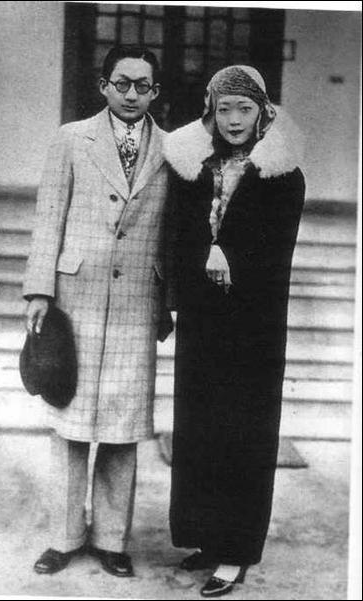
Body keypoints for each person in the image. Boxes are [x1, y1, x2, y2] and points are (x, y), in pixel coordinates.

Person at [23, 45, 171, 578]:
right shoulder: (70, 139)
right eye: (122, 83)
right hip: (75, 296)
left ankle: (112, 540)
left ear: (156, 92)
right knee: (71, 422)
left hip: (137, 300)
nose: (132, 94)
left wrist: (169, 298)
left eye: (143, 86)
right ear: (103, 85)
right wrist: (39, 290)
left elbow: (175, 230)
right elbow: (49, 217)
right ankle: (63, 537)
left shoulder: (171, 149)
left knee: (121, 426)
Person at [163, 65, 305, 597]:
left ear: (263, 112)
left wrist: (227, 254)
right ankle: (206, 537)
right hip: (203, 321)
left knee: (244, 433)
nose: (234, 119)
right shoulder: (196, 168)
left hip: (253, 327)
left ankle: (235, 551)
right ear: (210, 111)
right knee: (199, 428)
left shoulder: (283, 175)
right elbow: (179, 235)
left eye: (244, 108)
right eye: (224, 109)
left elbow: (276, 251)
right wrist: (203, 255)